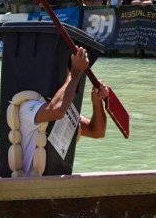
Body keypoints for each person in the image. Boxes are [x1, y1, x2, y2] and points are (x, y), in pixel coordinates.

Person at [18, 47, 108, 177]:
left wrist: (97, 101)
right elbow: (57, 111)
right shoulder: (28, 106)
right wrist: (76, 72)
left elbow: (97, 131)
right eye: (67, 71)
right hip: (28, 187)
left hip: (53, 187)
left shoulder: (65, 110)